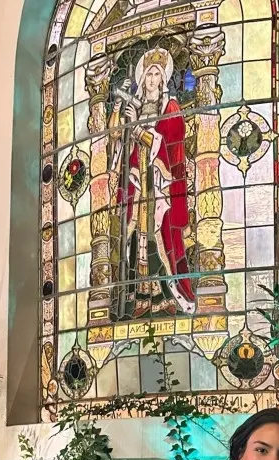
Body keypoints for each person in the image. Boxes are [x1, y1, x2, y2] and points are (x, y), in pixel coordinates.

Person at [108, 47, 196, 319]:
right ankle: (140, 297)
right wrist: (120, 111)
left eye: (157, 74)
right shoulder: (134, 106)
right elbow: (117, 139)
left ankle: (166, 296)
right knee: (137, 237)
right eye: (148, 74)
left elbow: (173, 137)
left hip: (160, 184)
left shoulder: (169, 107)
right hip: (138, 183)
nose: (152, 79)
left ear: (163, 78)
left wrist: (139, 130)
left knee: (162, 236)